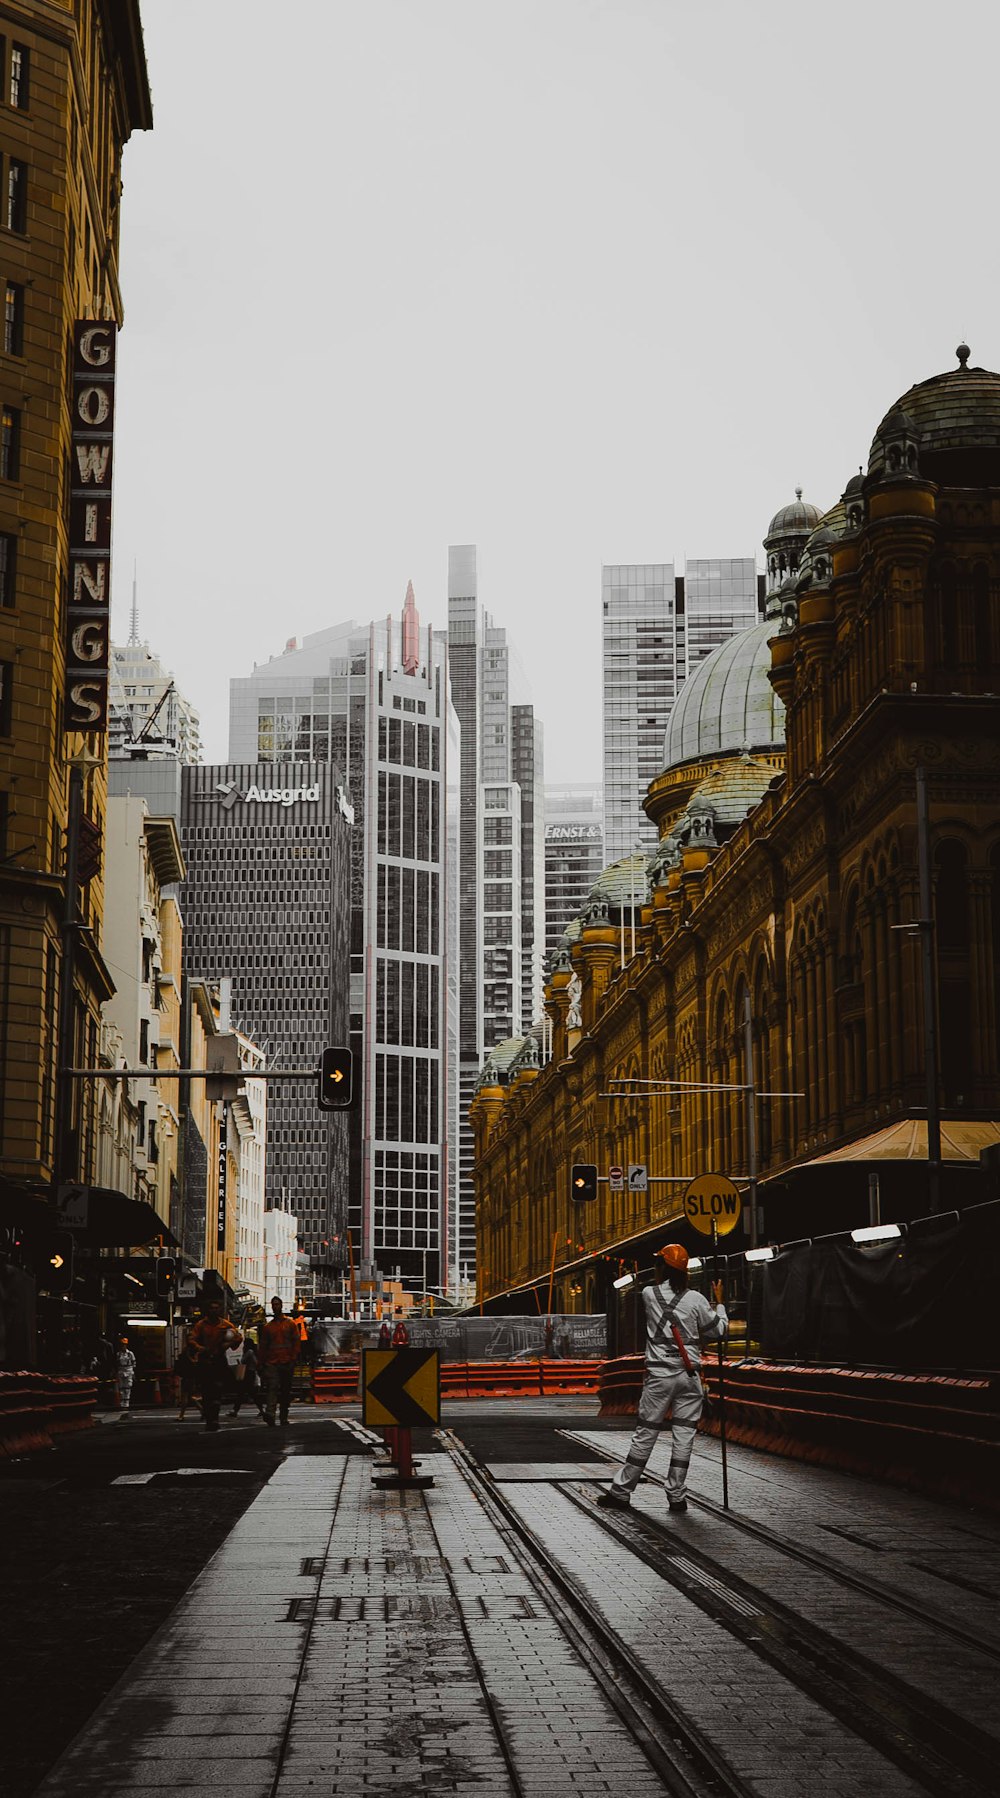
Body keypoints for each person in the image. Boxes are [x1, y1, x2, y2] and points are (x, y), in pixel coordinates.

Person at [598, 1243, 727, 1515]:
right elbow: (718, 1331)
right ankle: (676, 1497)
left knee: (646, 1433)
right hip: (690, 1376)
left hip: (659, 1376)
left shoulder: (648, 1293)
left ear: (661, 1267)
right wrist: (721, 1304)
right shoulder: (697, 1299)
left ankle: (621, 1493)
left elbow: (663, 1302)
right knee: (684, 1436)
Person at [187, 1300, 242, 1431]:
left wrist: (228, 1344)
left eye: (216, 1308)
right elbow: (191, 1339)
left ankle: (214, 1418)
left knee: (217, 1391)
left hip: (218, 1360)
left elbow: (238, 1337)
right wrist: (200, 1348)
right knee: (207, 1392)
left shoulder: (225, 1325)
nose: (214, 1310)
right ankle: (209, 1417)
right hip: (205, 1360)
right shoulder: (201, 1325)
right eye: (212, 1308)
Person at [258, 1295, 300, 1426]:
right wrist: (262, 1363)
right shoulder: (268, 1327)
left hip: (286, 1361)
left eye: (277, 1304)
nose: (275, 1307)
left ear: (281, 1306)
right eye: (273, 1304)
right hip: (273, 1362)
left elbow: (296, 1342)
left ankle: (283, 1416)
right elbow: (263, 1346)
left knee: (285, 1391)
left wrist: (293, 1358)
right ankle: (270, 1413)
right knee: (273, 1387)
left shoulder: (290, 1324)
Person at [232, 1338, 264, 1418]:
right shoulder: (252, 1351)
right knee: (249, 1393)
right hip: (250, 1373)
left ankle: (235, 1410)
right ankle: (261, 1410)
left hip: (248, 1373)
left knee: (243, 1393)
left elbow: (243, 1361)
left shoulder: (249, 1352)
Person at [174, 1341, 201, 1420]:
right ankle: (202, 1410)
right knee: (189, 1396)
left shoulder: (183, 1356)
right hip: (191, 1378)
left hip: (186, 1378)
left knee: (186, 1396)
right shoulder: (194, 1357)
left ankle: (181, 1415)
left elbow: (178, 1368)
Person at [116, 1338, 136, 1417]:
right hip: (121, 1370)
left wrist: (133, 1372)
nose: (123, 1346)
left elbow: (134, 1363)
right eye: (122, 1345)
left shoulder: (130, 1354)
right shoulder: (118, 1354)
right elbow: (117, 1363)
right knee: (121, 1388)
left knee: (128, 1387)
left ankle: (126, 1403)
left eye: (124, 1345)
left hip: (128, 1370)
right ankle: (122, 1403)